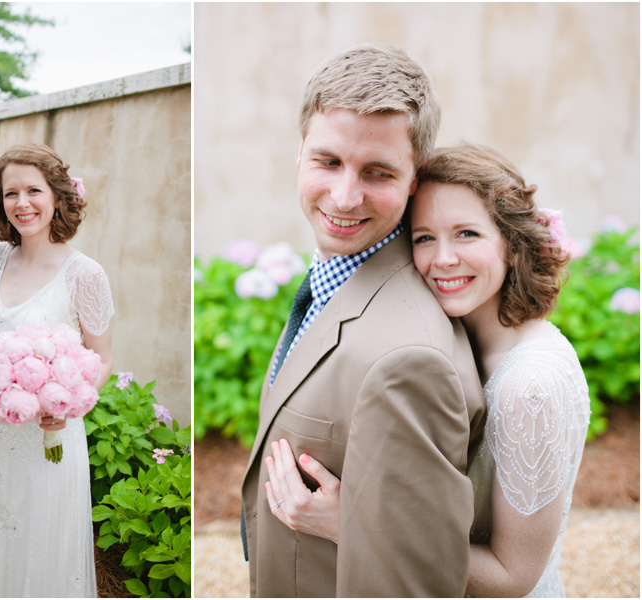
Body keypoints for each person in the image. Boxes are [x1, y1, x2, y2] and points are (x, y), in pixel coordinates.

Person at [240, 44, 486, 597]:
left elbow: (417, 577)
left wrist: (352, 524)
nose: (344, 197)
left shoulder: (410, 359)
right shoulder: (336, 279)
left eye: (378, 172)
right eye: (328, 162)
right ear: (300, 151)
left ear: (415, 177)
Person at [411, 144, 590, 596]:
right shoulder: (462, 341)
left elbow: (513, 577)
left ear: (512, 244)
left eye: (466, 233)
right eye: (423, 237)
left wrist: (351, 525)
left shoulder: (530, 386)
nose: (443, 258)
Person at [0, 143, 114, 597]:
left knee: (40, 550)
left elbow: (102, 356)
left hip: (49, 437)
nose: (22, 203)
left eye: (33, 191)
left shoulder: (85, 274)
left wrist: (66, 406)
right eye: (11, 194)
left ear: (58, 196)